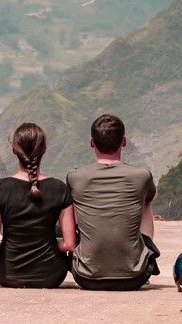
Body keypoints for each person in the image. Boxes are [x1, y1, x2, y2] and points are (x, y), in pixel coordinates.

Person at [66, 113, 160, 291]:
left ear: (91, 142)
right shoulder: (141, 175)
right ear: (124, 142)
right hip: (134, 277)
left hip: (85, 276)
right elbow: (152, 197)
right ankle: (143, 250)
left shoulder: (75, 177)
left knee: (76, 204)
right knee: (145, 202)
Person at [0, 122, 76, 288]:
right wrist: (45, 243)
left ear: (14, 150)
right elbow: (70, 244)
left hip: (8, 275)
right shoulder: (59, 188)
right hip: (51, 275)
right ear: (44, 149)